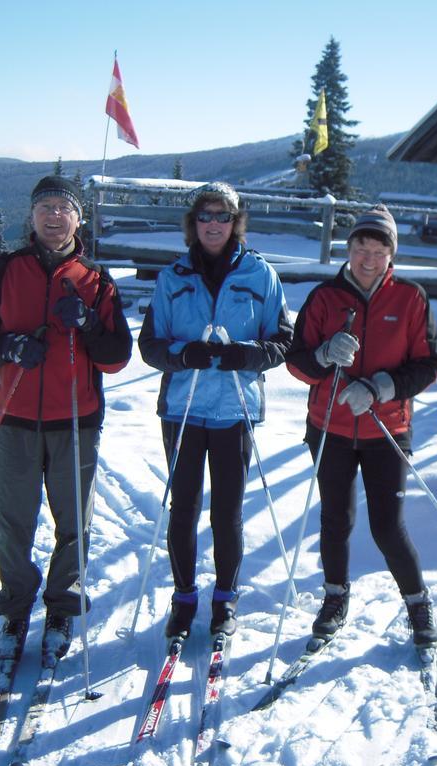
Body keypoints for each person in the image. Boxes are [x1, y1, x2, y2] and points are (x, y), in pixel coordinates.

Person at [0, 175, 132, 663]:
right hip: (13, 418)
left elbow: (118, 357)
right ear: (31, 217)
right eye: (45, 207)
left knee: (73, 523)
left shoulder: (95, 280)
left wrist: (90, 323)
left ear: (78, 218)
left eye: (64, 207)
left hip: (75, 421)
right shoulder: (3, 270)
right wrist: (9, 346)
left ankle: (61, 606)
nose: (54, 215)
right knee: (13, 521)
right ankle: (16, 606)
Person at [285, 204, 437, 648]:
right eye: (361, 247)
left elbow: (431, 363)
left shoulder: (410, 298)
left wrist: (382, 387)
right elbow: (296, 362)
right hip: (330, 427)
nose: (369, 258)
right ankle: (335, 598)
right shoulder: (324, 298)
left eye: (379, 249)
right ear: (349, 248)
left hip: (386, 430)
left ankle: (417, 603)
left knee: (387, 526)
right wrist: (322, 357)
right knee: (335, 519)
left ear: (391, 255)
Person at [138, 182, 292, 640]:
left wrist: (245, 355)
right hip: (183, 409)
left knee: (227, 513)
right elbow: (150, 345)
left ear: (236, 221)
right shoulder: (173, 276)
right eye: (205, 215)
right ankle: (184, 599)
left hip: (233, 410)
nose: (213, 224)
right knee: (182, 509)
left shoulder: (260, 274)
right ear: (194, 221)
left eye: (223, 216)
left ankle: (225, 599)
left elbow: (282, 341)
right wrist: (185, 355)